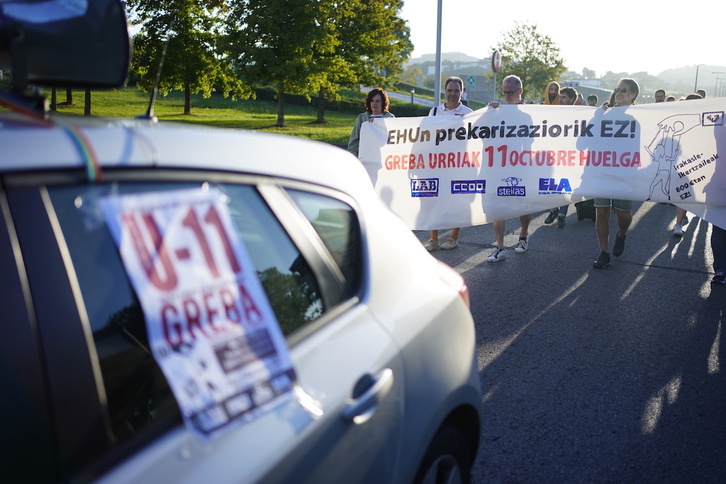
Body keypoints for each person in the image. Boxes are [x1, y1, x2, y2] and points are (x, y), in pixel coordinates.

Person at [592, 78, 640, 269]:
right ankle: (604, 252)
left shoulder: (638, 118)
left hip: (624, 174)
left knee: (624, 215)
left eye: (624, 90)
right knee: (601, 212)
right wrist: (597, 117)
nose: (618, 93)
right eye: (617, 89)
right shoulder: (604, 115)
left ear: (633, 94)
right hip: (602, 171)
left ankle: (621, 235)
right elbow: (584, 141)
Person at [422, 76, 473, 251]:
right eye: (450, 90)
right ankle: (433, 239)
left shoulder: (468, 112)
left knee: (455, 200)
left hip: (458, 164)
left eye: (456, 91)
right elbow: (426, 137)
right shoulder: (434, 112)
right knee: (432, 199)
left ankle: (453, 238)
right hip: (436, 164)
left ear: (462, 92)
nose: (453, 94)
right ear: (445, 91)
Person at [486, 75, 533, 262]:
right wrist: (489, 112)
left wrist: (526, 165)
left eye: (510, 92)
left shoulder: (527, 114)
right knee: (497, 206)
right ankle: (500, 247)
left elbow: (529, 144)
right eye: (504, 92)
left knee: (523, 205)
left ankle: (523, 235)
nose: (506, 96)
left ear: (520, 91)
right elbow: (479, 130)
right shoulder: (498, 111)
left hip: (519, 166)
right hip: (498, 166)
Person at [544, 87, 578, 228]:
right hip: (553, 155)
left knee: (565, 186)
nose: (561, 99)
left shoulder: (579, 114)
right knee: (550, 184)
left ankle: (562, 216)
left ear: (571, 99)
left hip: (569, 156)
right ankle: (553, 210)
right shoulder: (554, 112)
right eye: (560, 96)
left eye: (564, 97)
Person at [347, 88, 394, 158]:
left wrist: (378, 122)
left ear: (383, 103)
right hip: (365, 159)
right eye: (372, 101)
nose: (374, 103)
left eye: (377, 101)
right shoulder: (362, 118)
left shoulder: (390, 118)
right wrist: (354, 157)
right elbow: (354, 141)